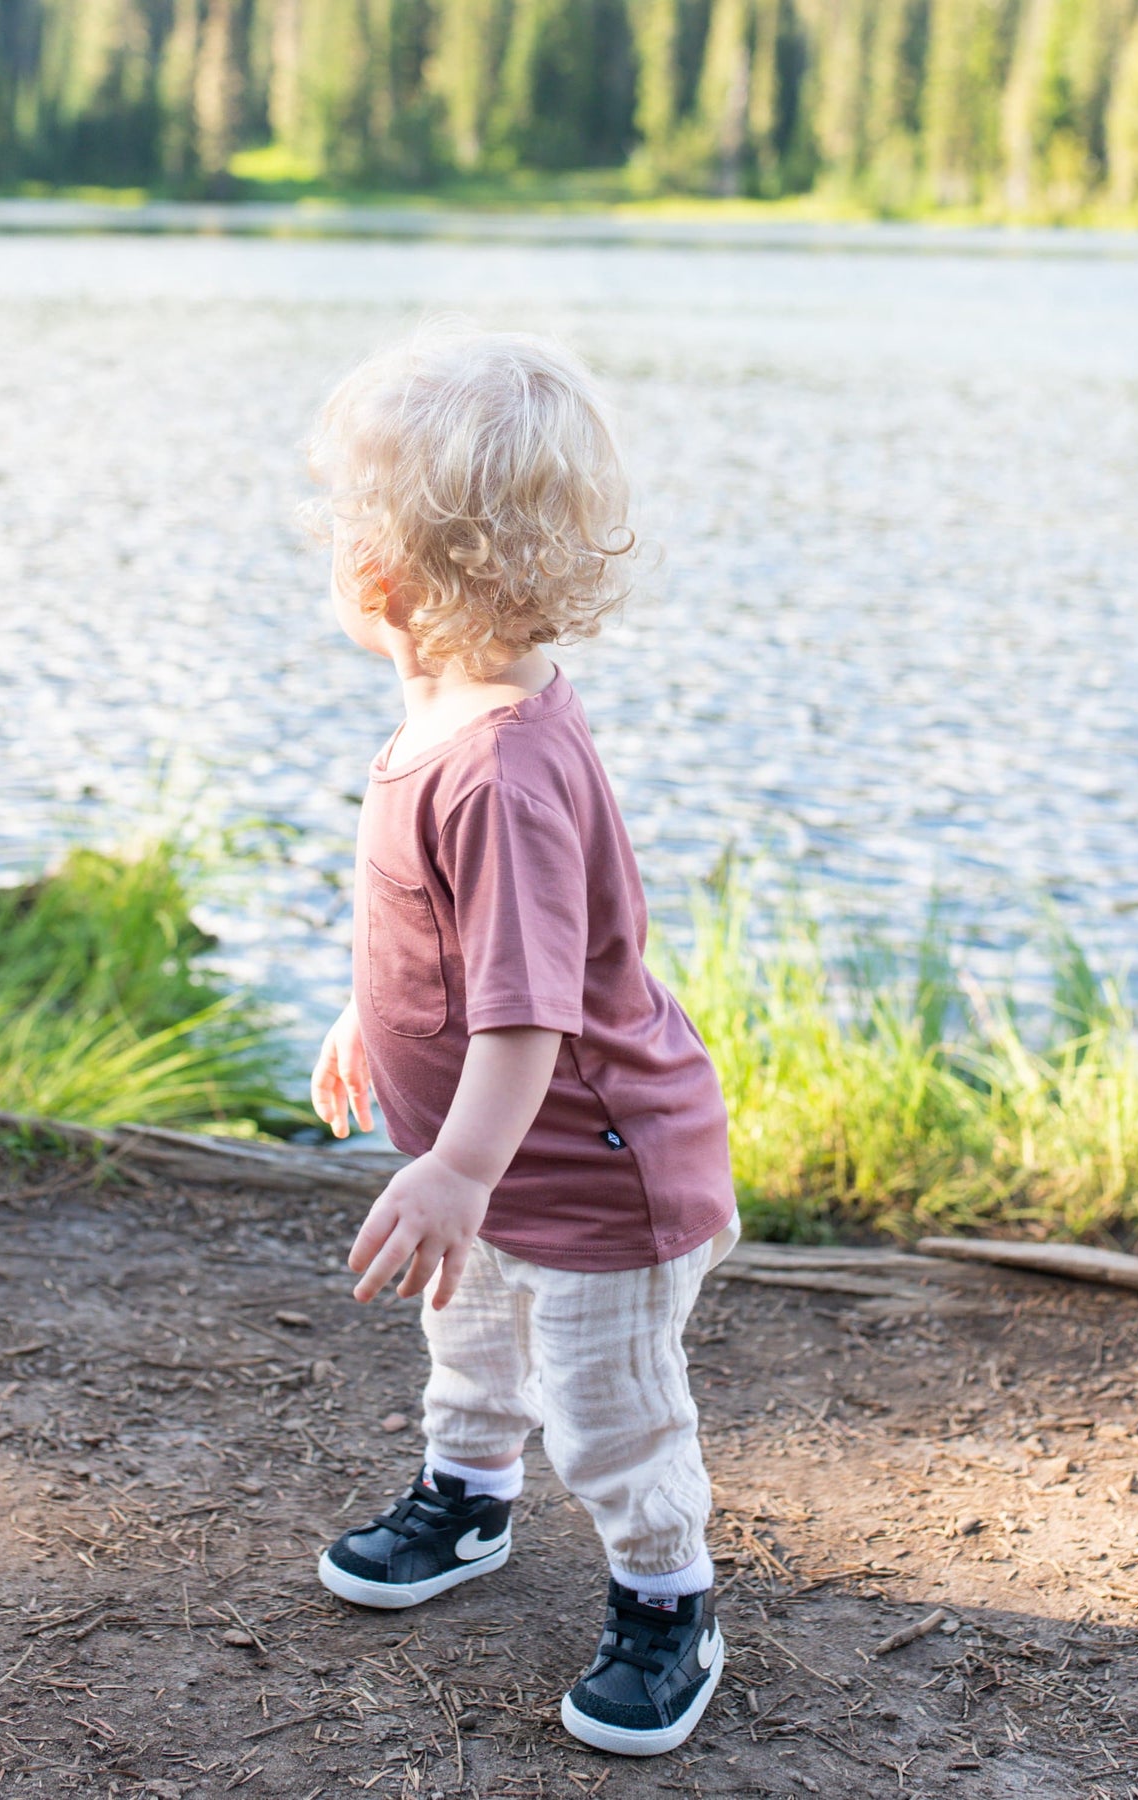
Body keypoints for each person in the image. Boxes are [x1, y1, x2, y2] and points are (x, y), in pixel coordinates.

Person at [305, 323, 739, 1758]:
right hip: (496, 1167)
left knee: (610, 1410)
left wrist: (456, 1171)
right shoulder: (449, 709)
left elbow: (529, 1005)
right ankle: (467, 1498)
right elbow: (446, 942)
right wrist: (367, 1020)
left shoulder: (494, 768)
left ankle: (667, 1597)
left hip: (595, 1181)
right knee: (473, 1348)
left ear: (384, 575)